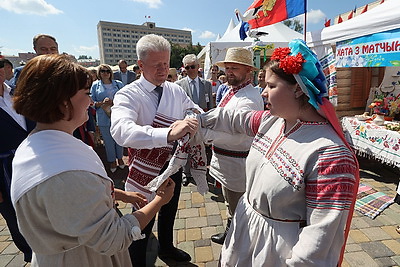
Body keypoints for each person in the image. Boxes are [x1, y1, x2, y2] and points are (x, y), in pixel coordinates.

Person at [199, 40, 359, 266]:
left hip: (276, 253)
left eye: (271, 86)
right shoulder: (272, 121)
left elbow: (318, 243)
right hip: (245, 233)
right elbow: (233, 118)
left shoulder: (329, 154)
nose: (263, 93)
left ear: (298, 89)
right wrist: (196, 121)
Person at [10, 54, 176, 267]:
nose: (90, 101)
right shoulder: (66, 174)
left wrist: (120, 194)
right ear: (63, 102)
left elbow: (71, 202)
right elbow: (114, 237)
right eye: (86, 93)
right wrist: (159, 200)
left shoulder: (39, 144)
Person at [110, 34, 200, 266]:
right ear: (140, 65)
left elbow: (193, 109)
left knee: (169, 208)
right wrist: (168, 133)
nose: (163, 69)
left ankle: (167, 248)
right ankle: (137, 260)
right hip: (146, 170)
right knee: (143, 219)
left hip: (173, 162)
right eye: (156, 65)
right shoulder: (128, 94)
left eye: (166, 63)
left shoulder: (174, 90)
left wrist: (190, 117)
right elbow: (121, 130)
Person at [203, 47, 263, 245]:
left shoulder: (249, 98)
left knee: (238, 205)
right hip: (227, 162)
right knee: (231, 203)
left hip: (237, 164)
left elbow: (241, 137)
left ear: (248, 71)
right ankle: (233, 233)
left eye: (234, 68)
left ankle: (239, 243)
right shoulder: (233, 90)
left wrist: (206, 135)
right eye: (227, 68)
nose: (229, 72)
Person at [0, 57, 33, 263]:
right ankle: (32, 255)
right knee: (16, 217)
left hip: (34, 161)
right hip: (5, 172)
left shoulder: (17, 93)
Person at [175, 54, 213, 186]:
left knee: (200, 147)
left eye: (193, 66)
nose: (190, 69)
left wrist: (210, 121)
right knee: (186, 148)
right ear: (184, 69)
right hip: (186, 122)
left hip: (202, 121)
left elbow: (210, 105)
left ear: (198, 67)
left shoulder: (206, 84)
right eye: (187, 67)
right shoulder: (178, 85)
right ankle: (186, 173)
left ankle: (200, 171)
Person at [91, 64, 125, 173]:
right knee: (108, 140)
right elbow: (92, 103)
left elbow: (126, 99)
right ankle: (112, 161)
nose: (105, 73)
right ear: (99, 73)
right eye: (102, 71)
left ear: (110, 73)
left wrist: (114, 102)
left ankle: (120, 158)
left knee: (119, 138)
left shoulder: (118, 84)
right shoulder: (95, 85)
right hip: (103, 117)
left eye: (107, 71)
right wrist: (102, 103)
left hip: (117, 116)